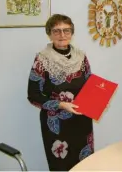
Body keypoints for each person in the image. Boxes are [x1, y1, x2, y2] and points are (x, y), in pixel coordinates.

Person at [27, 14, 94, 170]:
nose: (62, 35)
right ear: (49, 34)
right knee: (61, 166)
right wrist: (61, 104)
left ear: (72, 33)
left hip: (81, 120)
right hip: (56, 124)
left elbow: (90, 85)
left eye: (66, 30)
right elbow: (33, 95)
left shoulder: (81, 57)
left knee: (85, 164)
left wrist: (99, 100)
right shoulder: (42, 60)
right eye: (56, 31)